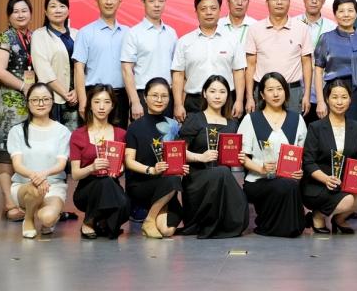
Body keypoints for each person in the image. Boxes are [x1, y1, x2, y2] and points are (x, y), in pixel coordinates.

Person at [178, 75, 249, 238]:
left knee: (223, 171)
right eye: (213, 91)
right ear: (204, 93)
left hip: (222, 180)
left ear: (228, 95)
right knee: (222, 171)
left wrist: (240, 156)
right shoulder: (194, 119)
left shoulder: (232, 123)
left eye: (222, 92)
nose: (217, 96)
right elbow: (178, 152)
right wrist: (200, 157)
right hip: (197, 178)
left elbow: (234, 155)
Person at [239, 72, 309, 237]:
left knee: (289, 184)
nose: (276, 94)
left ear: (286, 92)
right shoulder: (251, 119)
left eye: (280, 89)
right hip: (258, 180)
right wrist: (261, 169)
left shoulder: (297, 119)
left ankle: (277, 225)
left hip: (288, 179)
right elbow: (242, 157)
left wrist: (300, 170)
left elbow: (303, 154)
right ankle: (271, 226)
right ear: (262, 95)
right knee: (286, 185)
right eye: (270, 90)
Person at [302, 80, 357, 234]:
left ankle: (339, 219)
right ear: (327, 99)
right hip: (319, 184)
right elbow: (308, 162)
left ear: (350, 99)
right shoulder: (316, 127)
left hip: (344, 183)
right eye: (334, 97)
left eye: (344, 97)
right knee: (348, 200)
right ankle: (317, 216)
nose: (339, 102)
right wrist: (326, 179)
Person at [124, 78, 186, 238]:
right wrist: (151, 170)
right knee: (172, 180)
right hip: (142, 184)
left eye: (164, 96)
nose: (159, 100)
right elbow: (128, 161)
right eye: (154, 95)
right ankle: (150, 220)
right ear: (145, 97)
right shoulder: (134, 127)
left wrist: (181, 166)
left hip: (166, 184)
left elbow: (178, 154)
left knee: (167, 231)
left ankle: (159, 208)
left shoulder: (173, 125)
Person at [0, 0, 35, 223]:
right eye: (15, 11)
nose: (20, 15)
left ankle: (26, 201)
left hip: (32, 102)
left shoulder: (34, 37)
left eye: (24, 10)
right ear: (9, 16)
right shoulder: (5, 37)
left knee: (26, 152)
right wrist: (23, 86)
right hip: (10, 103)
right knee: (7, 153)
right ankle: (9, 203)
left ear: (31, 13)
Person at [9, 83, 72, 239]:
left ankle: (48, 215)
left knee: (48, 219)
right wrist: (35, 178)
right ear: (28, 102)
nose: (41, 103)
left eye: (45, 99)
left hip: (53, 186)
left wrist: (44, 175)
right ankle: (29, 218)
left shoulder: (62, 131)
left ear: (52, 101)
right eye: (35, 100)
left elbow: (61, 164)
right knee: (35, 189)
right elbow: (17, 165)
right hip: (24, 187)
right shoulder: (17, 131)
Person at [173, 0, 247, 120]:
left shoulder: (232, 40)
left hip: (226, 101)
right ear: (196, 12)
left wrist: (239, 101)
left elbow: (239, 72)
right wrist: (178, 104)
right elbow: (178, 75)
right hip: (194, 101)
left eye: (213, 8)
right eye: (203, 9)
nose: (209, 12)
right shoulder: (184, 42)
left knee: (228, 133)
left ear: (219, 10)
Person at [68, 84, 130, 239]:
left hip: (112, 186)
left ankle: (100, 221)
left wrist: (121, 168)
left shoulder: (121, 134)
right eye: (97, 102)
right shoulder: (78, 135)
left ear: (113, 105)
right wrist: (92, 167)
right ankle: (90, 220)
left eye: (107, 102)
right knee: (105, 184)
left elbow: (124, 164)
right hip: (87, 189)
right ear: (89, 105)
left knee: (117, 194)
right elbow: (75, 174)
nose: (102, 107)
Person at [245, 0, 314, 115]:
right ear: (267, 2)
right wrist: (249, 97)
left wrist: (306, 95)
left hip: (292, 92)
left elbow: (307, 64)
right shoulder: (254, 29)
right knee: (261, 128)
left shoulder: (302, 29)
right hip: (263, 92)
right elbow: (250, 65)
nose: (279, 2)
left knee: (292, 127)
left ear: (289, 1)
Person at [314, 0, 357, 128]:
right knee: (334, 133)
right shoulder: (326, 38)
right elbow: (318, 71)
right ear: (335, 14)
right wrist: (320, 101)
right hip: (334, 92)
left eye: (350, 10)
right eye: (341, 11)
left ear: (356, 13)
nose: (346, 15)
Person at [121, 0, 178, 124]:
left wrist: (177, 102)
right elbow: (126, 69)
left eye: (161, 0)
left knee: (167, 136)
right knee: (143, 135)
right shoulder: (134, 33)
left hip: (166, 96)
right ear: (143, 2)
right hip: (143, 95)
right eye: (152, 0)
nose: (157, 5)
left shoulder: (171, 33)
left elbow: (176, 70)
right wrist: (135, 102)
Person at [73, 0, 129, 122]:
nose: (108, 2)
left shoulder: (128, 33)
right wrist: (83, 101)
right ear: (96, 1)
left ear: (120, 2)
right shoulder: (85, 32)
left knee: (120, 135)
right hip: (94, 96)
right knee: (94, 135)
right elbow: (78, 69)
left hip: (121, 96)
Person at [31, 0, 79, 130]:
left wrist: (77, 90)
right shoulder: (39, 35)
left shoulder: (77, 34)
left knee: (75, 138)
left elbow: (84, 66)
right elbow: (43, 69)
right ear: (46, 12)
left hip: (77, 97)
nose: (58, 10)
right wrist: (65, 94)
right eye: (53, 6)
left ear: (68, 10)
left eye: (62, 6)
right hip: (53, 97)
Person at [297, 0, 337, 122]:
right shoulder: (292, 24)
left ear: (324, 1)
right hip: (296, 92)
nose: (314, 1)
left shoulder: (332, 28)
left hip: (323, 94)